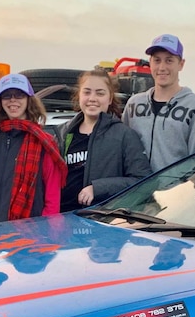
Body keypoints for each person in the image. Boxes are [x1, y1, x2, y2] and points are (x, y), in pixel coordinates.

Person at [57, 69, 152, 212]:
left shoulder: (124, 135)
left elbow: (143, 181)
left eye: (100, 93)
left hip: (100, 222)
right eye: (87, 92)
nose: (92, 98)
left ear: (110, 98)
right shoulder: (63, 133)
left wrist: (98, 188)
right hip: (61, 221)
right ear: (79, 96)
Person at [0, 73, 67, 223]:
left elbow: (52, 196)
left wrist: (48, 228)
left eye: (19, 95)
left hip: (30, 231)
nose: (13, 100)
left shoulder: (44, 142)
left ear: (29, 100)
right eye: (7, 96)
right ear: (0, 102)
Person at [122, 33, 195, 172]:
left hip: (176, 192)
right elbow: (121, 151)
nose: (162, 67)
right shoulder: (133, 104)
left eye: (169, 60)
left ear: (181, 64)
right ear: (150, 63)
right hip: (135, 191)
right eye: (157, 60)